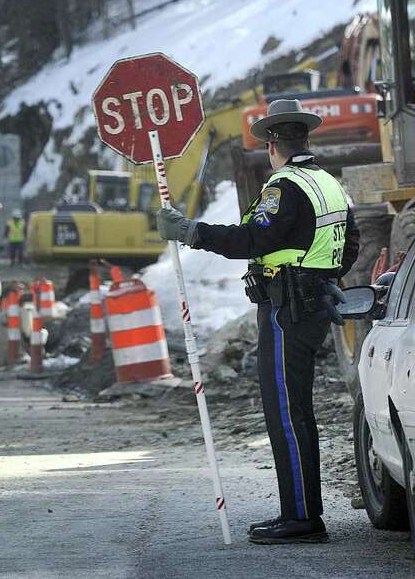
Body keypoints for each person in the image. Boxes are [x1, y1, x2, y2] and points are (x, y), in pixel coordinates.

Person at [158, 99, 359, 545]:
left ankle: (302, 518)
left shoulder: (284, 186)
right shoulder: (330, 184)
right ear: (305, 139)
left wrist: (192, 232)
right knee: (298, 411)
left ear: (273, 146)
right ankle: (301, 512)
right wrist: (318, 274)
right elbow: (351, 249)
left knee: (286, 413)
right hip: (313, 307)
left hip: (285, 311)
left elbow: (252, 239)